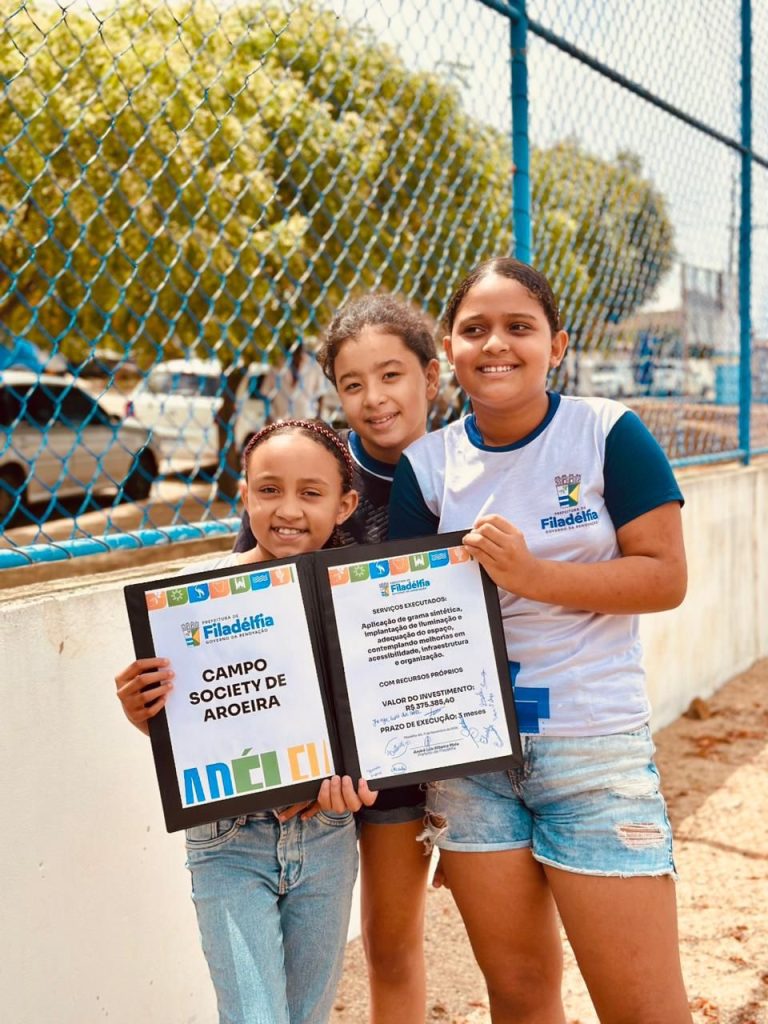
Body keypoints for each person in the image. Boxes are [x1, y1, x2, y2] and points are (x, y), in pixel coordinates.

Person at [389, 257, 692, 1024]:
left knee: (645, 1009)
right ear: (449, 354)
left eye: (519, 327)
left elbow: (663, 577)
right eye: (475, 329)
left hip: (591, 745)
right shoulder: (426, 467)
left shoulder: (607, 432)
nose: (497, 344)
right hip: (474, 759)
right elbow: (395, 623)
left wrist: (528, 574)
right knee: (520, 999)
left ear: (557, 344)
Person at [115, 419, 376, 1024]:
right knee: (254, 1015)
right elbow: (194, 721)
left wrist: (359, 779)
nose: (288, 510)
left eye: (311, 493)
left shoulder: (362, 599)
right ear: (243, 494)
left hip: (328, 833)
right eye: (268, 489)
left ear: (346, 505)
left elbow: (376, 718)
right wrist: (144, 712)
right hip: (227, 840)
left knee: (308, 1013)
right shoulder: (192, 601)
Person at [234, 294, 441, 1024]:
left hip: (407, 753)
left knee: (390, 944)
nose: (374, 399)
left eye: (391, 375)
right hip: (308, 766)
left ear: (431, 374)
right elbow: (244, 613)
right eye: (353, 384)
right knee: (316, 960)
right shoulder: (310, 472)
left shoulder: (464, 470)